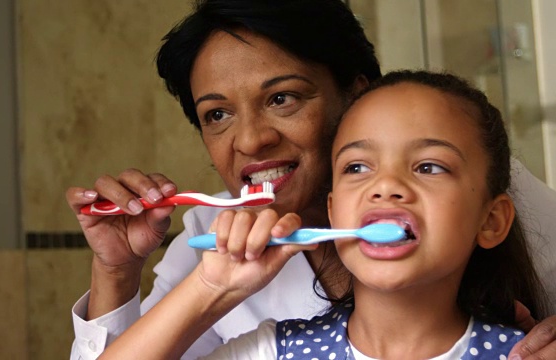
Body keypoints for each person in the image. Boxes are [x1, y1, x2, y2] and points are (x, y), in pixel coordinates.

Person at [67, 1, 556, 359]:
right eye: (217, 114)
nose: (251, 140)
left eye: (282, 98)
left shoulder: (490, 195)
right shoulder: (209, 243)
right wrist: (117, 273)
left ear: (357, 97)